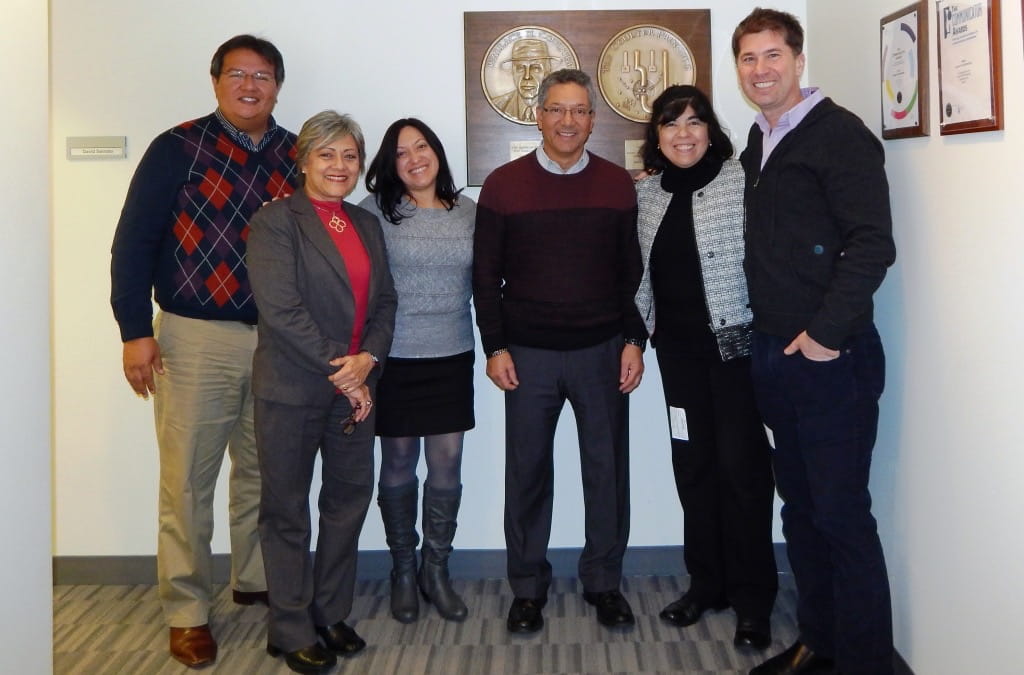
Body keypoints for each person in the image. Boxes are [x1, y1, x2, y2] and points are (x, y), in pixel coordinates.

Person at [109, 34, 297, 668]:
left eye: (263, 75)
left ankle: (253, 578)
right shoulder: (177, 148)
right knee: (188, 481)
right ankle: (187, 611)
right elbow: (132, 243)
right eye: (238, 74)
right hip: (192, 338)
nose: (251, 85)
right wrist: (135, 330)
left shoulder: (295, 153)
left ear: (278, 84)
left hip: (275, 340)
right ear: (216, 81)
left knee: (263, 472)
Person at [733, 9, 897, 675]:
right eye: (749, 58)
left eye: (773, 55)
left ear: (799, 59)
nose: (761, 69)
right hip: (774, 354)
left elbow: (871, 243)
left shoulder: (840, 135)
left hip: (834, 359)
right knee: (799, 510)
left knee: (840, 517)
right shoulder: (761, 138)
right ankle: (819, 642)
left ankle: (863, 663)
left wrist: (825, 335)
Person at [473, 68, 646, 634]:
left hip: (601, 351)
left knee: (607, 472)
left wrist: (633, 341)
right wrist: (494, 346)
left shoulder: (619, 186)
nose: (567, 121)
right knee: (526, 474)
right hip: (528, 355)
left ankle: (604, 582)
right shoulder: (502, 185)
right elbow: (485, 277)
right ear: (539, 115)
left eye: (579, 111)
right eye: (556, 110)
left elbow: (631, 275)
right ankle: (527, 587)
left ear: (592, 120)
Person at [247, 110, 397, 674]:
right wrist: (346, 371)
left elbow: (385, 305)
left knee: (346, 503)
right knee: (286, 511)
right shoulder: (276, 222)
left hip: (356, 388)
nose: (339, 166)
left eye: (350, 156)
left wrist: (368, 361)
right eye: (327, 154)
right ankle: (288, 628)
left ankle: (330, 613)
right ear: (304, 159)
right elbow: (281, 310)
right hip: (292, 388)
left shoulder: (366, 225)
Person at [633, 85, 778, 651]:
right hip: (677, 355)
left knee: (743, 472)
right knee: (693, 466)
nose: (684, 134)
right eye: (671, 124)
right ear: (657, 136)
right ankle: (707, 584)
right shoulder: (648, 195)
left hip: (735, 351)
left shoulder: (742, 180)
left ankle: (753, 599)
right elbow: (638, 273)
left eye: (694, 122)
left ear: (710, 128)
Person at [359, 118, 476, 624]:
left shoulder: (469, 211)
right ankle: (403, 570)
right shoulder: (375, 213)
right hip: (396, 356)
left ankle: (436, 569)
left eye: (421, 146)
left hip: (451, 353)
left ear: (437, 152)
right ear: (391, 163)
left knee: (447, 465)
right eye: (401, 152)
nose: (413, 158)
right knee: (399, 462)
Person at [492, 39, 556, 123]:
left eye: (535, 68)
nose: (527, 76)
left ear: (547, 72)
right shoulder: (499, 104)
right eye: (520, 68)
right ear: (513, 71)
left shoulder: (560, 106)